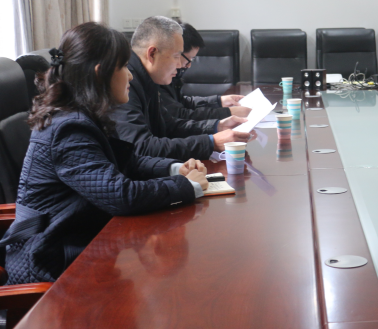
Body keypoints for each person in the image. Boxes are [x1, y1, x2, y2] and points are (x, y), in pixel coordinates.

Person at [1, 23, 209, 285]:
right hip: (50, 264)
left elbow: (127, 161)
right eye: (124, 67)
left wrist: (175, 168)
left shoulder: (82, 114)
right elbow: (121, 195)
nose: (131, 76)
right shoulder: (68, 127)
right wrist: (186, 186)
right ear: (101, 74)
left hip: (79, 243)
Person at [112, 16, 250, 160]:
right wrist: (211, 143)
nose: (180, 65)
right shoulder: (125, 84)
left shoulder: (148, 79)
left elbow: (169, 125)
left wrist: (217, 126)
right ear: (152, 54)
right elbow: (141, 147)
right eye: (176, 56)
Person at [159, 22, 250, 121]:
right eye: (189, 59)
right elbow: (179, 115)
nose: (189, 65)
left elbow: (182, 103)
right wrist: (228, 113)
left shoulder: (172, 76)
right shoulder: (159, 79)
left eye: (193, 59)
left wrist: (218, 101)